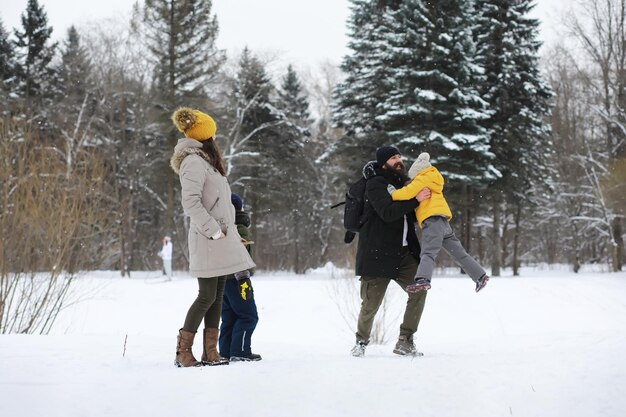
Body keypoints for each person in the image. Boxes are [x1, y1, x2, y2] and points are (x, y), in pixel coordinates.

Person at [170, 107, 255, 368]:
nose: (215, 137)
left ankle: (211, 352)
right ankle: (182, 352)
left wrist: (231, 235)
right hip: (208, 240)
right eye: (213, 133)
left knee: (217, 296)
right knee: (206, 296)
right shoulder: (193, 161)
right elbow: (191, 203)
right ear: (205, 135)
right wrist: (215, 231)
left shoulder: (206, 161)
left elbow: (221, 204)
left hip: (221, 240)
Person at [351, 145, 432, 358]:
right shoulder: (376, 183)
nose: (398, 160)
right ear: (383, 162)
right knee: (370, 304)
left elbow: (410, 215)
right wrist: (415, 200)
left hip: (404, 255)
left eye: (399, 156)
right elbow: (387, 212)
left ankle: (405, 340)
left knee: (419, 289)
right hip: (378, 254)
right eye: (393, 157)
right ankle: (360, 342)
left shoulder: (404, 184)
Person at [391, 152, 490, 293]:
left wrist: (392, 193)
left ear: (417, 172)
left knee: (428, 252)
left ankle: (423, 279)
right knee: (459, 253)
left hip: (432, 221)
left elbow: (406, 193)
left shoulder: (421, 179)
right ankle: (480, 276)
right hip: (444, 222)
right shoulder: (434, 178)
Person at [218, 193, 261, 362]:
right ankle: (241, 351)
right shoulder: (240, 228)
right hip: (239, 280)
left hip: (222, 281)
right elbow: (244, 257)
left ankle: (226, 351)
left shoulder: (219, 228)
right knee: (248, 316)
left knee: (229, 318)